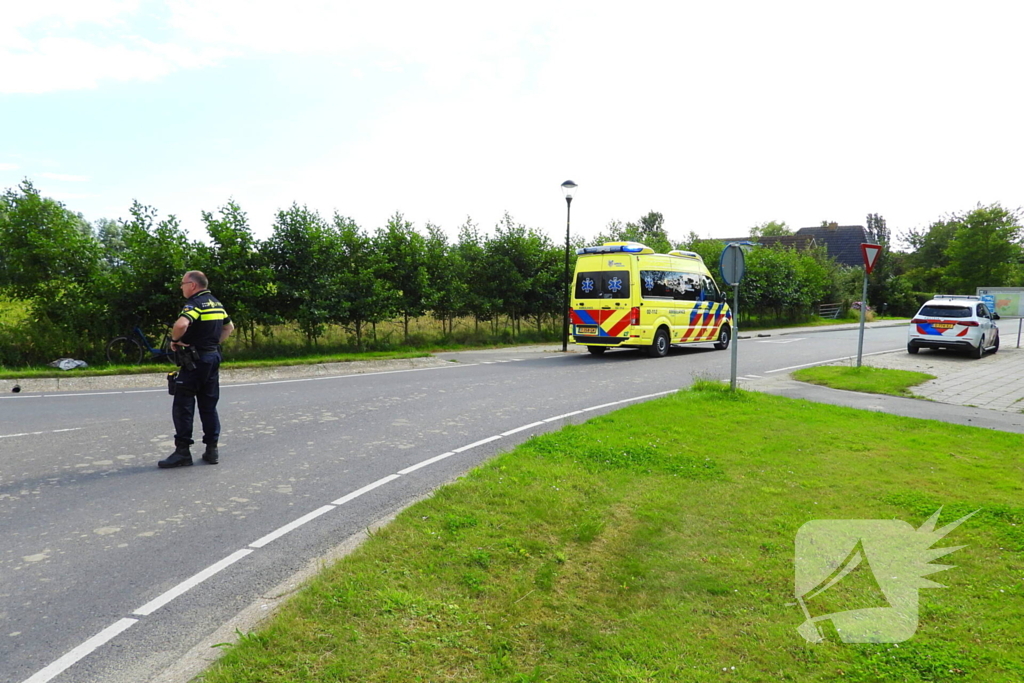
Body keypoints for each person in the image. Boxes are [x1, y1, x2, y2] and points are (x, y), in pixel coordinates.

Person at [158, 271, 234, 469]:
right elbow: (229, 328)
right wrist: (212, 344)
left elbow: (181, 324)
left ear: (192, 285)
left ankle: (182, 452)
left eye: (183, 283)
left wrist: (175, 341)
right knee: (208, 404)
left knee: (183, 404)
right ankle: (212, 450)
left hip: (195, 360)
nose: (181, 287)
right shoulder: (216, 303)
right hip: (212, 357)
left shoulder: (195, 303)